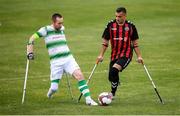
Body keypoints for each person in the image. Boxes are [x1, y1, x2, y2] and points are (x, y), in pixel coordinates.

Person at [27, 13, 97, 106]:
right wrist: (30, 52)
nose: (61, 25)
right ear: (53, 22)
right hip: (56, 62)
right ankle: (50, 94)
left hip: (68, 59)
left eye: (62, 23)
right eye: (59, 23)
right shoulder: (45, 30)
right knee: (54, 88)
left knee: (80, 75)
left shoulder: (62, 29)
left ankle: (88, 100)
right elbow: (31, 38)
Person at [97, 7, 143, 98]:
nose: (117, 18)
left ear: (125, 16)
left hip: (126, 54)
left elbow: (135, 43)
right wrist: (100, 55)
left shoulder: (130, 26)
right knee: (111, 77)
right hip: (114, 55)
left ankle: (112, 94)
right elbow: (105, 42)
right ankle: (116, 82)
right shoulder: (110, 25)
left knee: (114, 70)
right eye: (116, 16)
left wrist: (139, 56)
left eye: (120, 16)